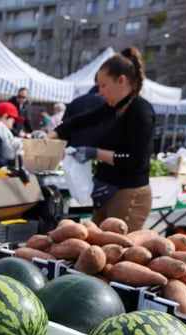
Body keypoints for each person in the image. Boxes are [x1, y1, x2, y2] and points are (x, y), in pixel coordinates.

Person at [48, 47, 156, 232]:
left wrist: (95, 153)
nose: (100, 92)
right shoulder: (111, 108)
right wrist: (51, 136)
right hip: (104, 192)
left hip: (128, 195)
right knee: (94, 247)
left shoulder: (140, 111)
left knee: (116, 253)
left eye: (103, 85)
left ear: (121, 80)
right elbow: (80, 121)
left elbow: (136, 160)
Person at [0, 102, 25, 167]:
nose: (12, 126)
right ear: (5, 116)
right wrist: (13, 161)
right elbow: (5, 154)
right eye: (12, 121)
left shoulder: (1, 129)